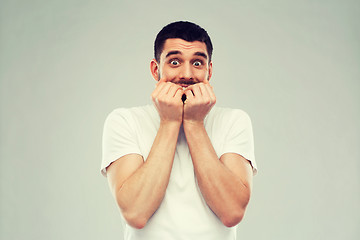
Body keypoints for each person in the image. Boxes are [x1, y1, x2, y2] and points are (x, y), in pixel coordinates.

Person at [101, 21, 257, 240]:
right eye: (174, 62)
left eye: (197, 63)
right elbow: (135, 213)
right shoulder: (124, 121)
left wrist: (194, 123)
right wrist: (169, 121)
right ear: (156, 69)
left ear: (209, 71)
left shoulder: (234, 121)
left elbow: (232, 212)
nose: (187, 74)